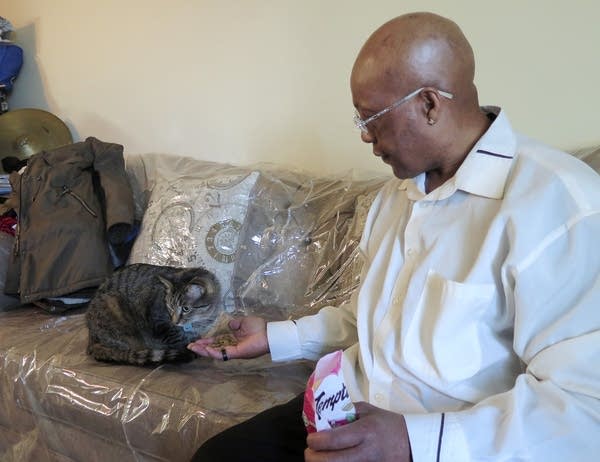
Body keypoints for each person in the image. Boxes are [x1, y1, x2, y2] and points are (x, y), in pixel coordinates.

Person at [188, 11, 600, 462]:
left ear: (429, 104)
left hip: (453, 444)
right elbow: (375, 319)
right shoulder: (395, 196)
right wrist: (274, 337)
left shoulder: (560, 205)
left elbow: (583, 408)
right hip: (349, 410)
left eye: (372, 118)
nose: (365, 135)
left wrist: (412, 442)